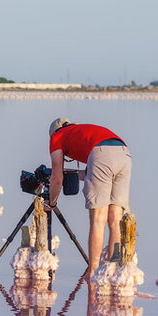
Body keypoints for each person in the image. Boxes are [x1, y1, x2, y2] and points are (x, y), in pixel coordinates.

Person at [44, 118, 131, 281]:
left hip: (101, 154)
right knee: (115, 219)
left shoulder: (57, 137)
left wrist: (52, 202)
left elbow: (56, 179)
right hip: (124, 152)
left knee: (98, 219)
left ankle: (93, 270)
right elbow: (95, 170)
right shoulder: (81, 132)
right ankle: (112, 269)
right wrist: (74, 174)